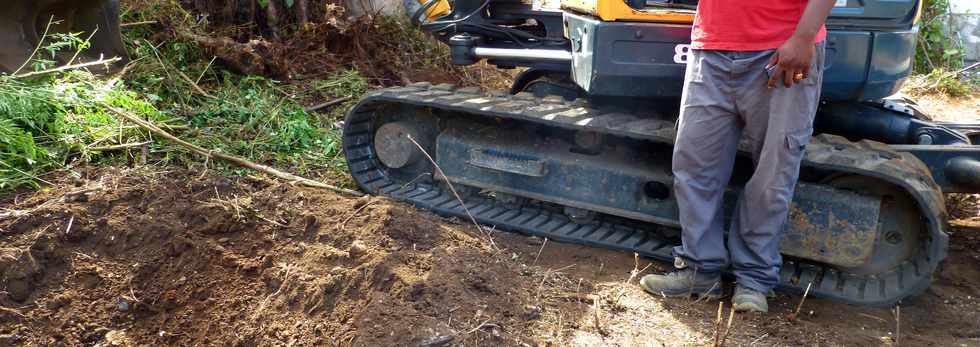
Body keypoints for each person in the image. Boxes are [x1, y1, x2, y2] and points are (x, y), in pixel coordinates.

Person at [639, 0, 837, 313]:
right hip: (711, 47)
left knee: (773, 171)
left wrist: (803, 37)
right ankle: (699, 269)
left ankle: (755, 279)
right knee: (694, 163)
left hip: (782, 49)